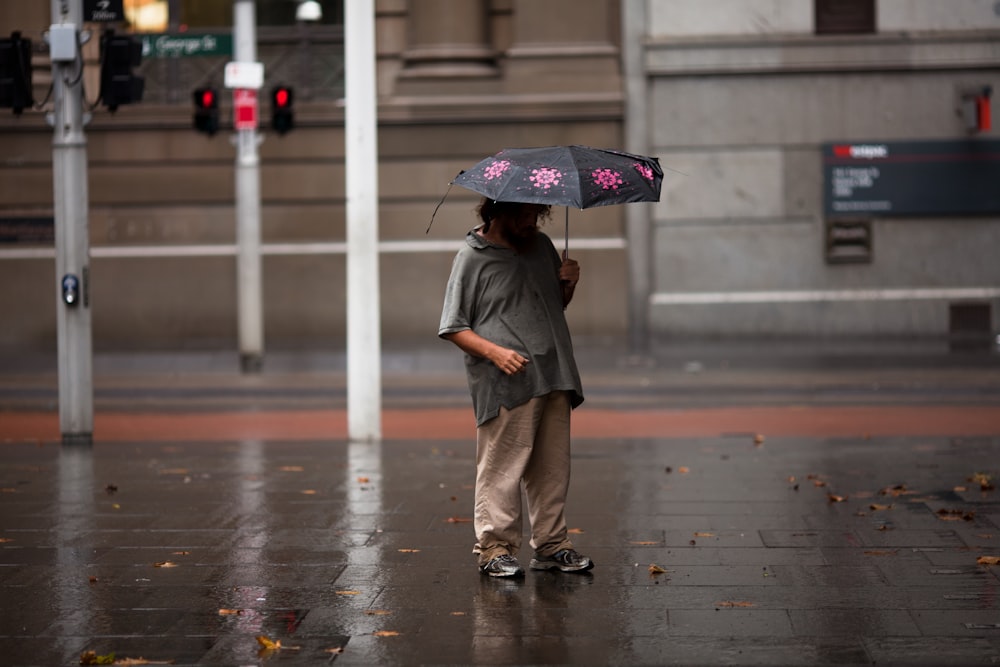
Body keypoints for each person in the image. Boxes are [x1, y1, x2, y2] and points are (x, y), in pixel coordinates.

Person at [438, 198, 594, 578]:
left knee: (551, 468)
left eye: (537, 215)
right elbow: (453, 326)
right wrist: (495, 353)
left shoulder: (541, 246)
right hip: (506, 380)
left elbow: (551, 307)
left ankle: (552, 545)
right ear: (498, 212)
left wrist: (568, 285)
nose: (532, 222)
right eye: (524, 215)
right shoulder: (472, 257)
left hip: (553, 371)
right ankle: (494, 547)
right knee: (501, 467)